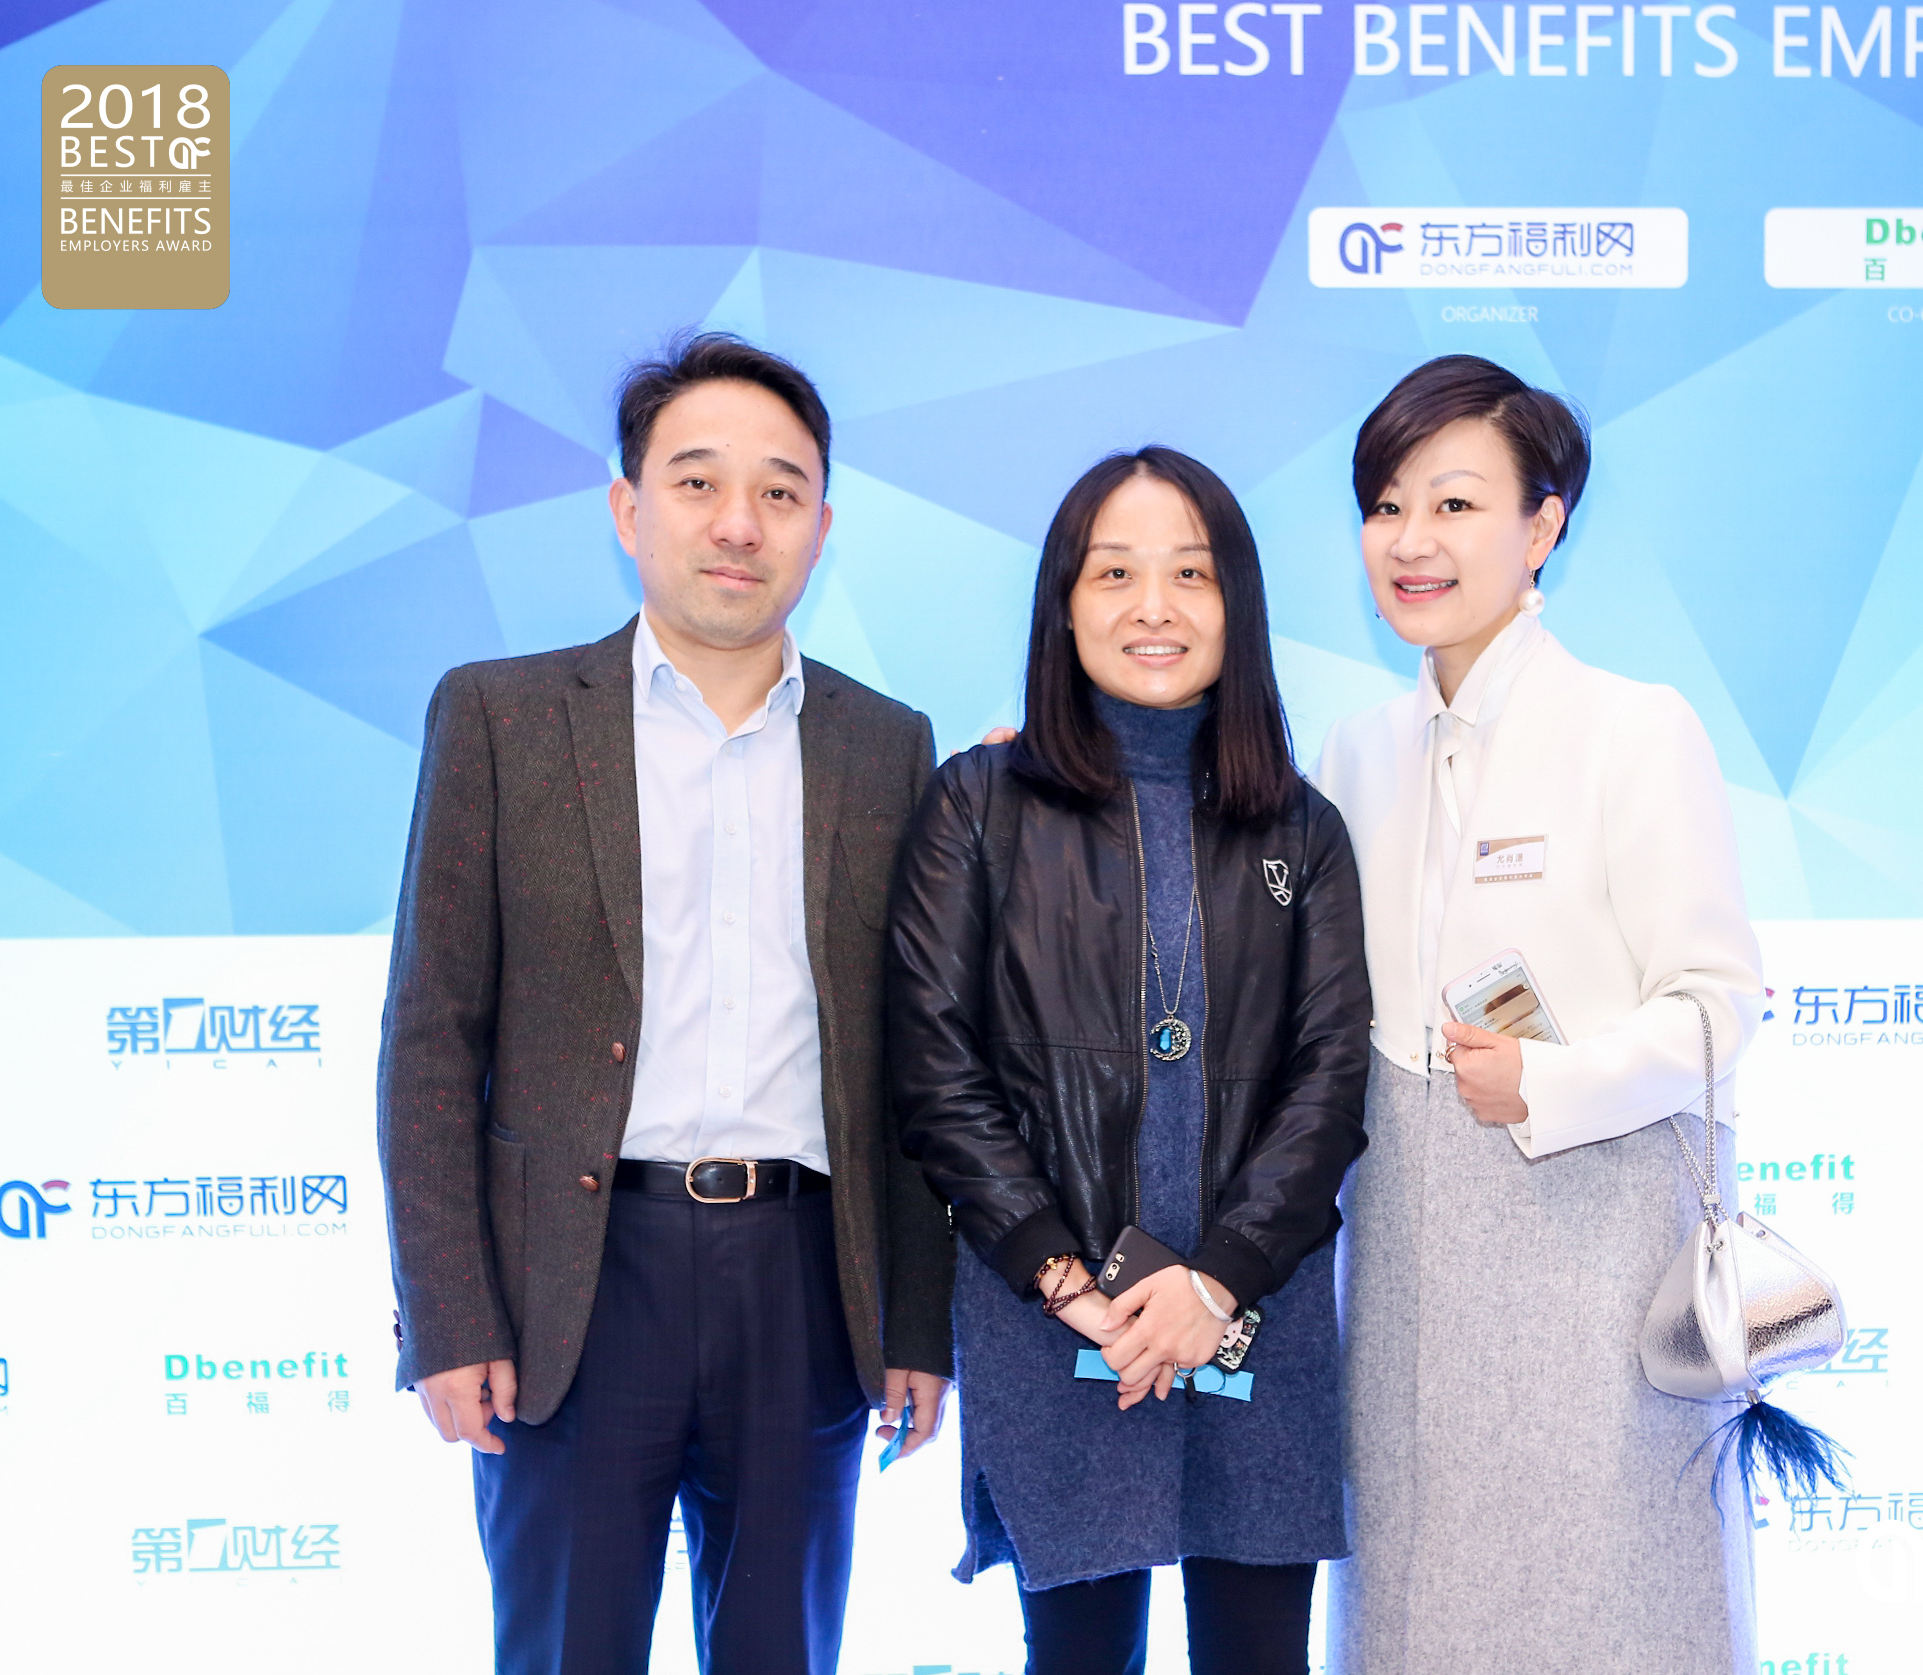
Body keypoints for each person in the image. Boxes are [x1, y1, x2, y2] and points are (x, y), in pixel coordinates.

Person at [376, 330, 955, 1675]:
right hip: (573, 1289)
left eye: (779, 491)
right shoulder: (503, 719)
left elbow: (914, 1069)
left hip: (805, 1282)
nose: (738, 523)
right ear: (628, 509)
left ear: (821, 528)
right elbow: (430, 1038)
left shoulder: (886, 746)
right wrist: (451, 1312)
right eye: (697, 482)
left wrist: (916, 1321)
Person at [1312, 355, 1767, 1675]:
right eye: (1386, 505)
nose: (1412, 540)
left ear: (1541, 525)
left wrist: (1549, 1084)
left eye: (1454, 504)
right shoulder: (1352, 752)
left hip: (1594, 1238)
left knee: (1606, 1603)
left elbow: (1717, 1004)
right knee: (1413, 1601)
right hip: (1398, 1246)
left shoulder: (1634, 728)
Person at [886, 447, 1371, 1675]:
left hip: (1255, 1313)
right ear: (1063, 602)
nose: (1152, 607)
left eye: (1189, 574)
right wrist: (1063, 1277)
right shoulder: (976, 803)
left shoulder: (1303, 827)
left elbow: (1327, 1081)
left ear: (1236, 603)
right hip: (1052, 1315)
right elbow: (935, 1068)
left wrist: (1215, 1282)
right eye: (1113, 573)